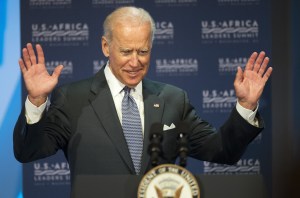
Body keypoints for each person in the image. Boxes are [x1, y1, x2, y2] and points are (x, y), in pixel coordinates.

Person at [14, 6, 272, 184]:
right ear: (106, 47)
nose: (135, 62)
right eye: (126, 51)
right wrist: (36, 102)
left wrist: (246, 105)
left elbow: (221, 151)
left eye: (143, 51)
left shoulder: (173, 99)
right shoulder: (73, 98)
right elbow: (29, 152)